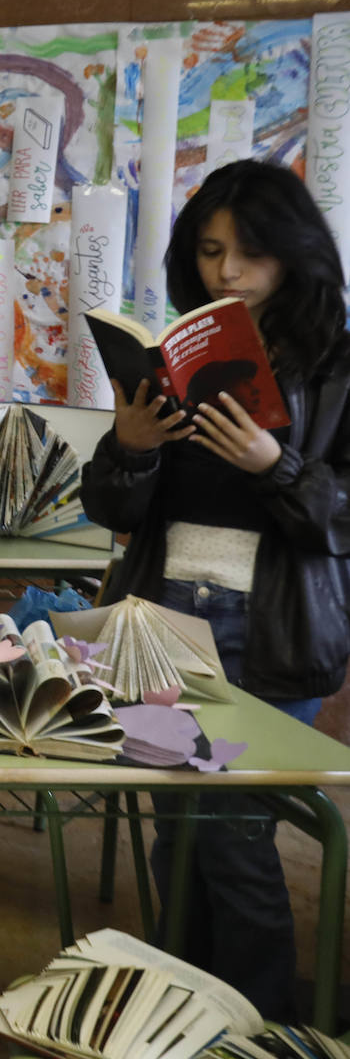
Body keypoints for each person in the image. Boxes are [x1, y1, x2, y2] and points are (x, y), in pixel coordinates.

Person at [79, 159, 350, 1022]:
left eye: (246, 251)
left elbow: (341, 520)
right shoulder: (180, 353)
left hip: (267, 628)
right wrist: (130, 444)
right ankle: (185, 1012)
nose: (225, 272)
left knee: (234, 839)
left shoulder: (338, 364)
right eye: (207, 251)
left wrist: (279, 467)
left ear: (292, 250)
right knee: (179, 835)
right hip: (165, 613)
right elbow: (114, 510)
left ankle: (259, 1026)